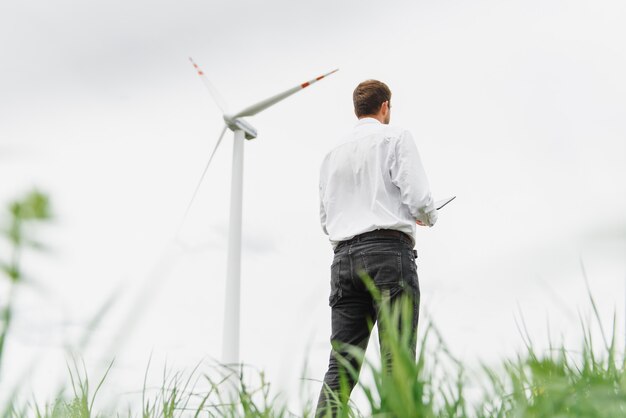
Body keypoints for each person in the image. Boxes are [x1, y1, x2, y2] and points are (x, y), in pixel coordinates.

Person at [316, 79, 438, 416]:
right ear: (385, 107)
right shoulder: (395, 137)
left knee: (341, 366)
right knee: (395, 361)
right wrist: (429, 216)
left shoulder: (331, 154)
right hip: (387, 254)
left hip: (342, 262)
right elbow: (418, 197)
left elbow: (325, 219)